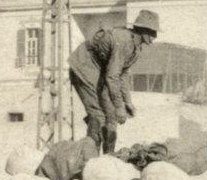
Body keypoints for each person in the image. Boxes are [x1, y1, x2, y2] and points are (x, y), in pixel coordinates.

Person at [68, 10, 160, 154]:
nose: (155, 37)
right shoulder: (123, 41)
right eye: (152, 32)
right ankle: (90, 157)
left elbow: (122, 75)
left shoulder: (135, 49)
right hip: (84, 67)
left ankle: (108, 158)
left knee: (111, 117)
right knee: (97, 115)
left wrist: (127, 102)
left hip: (100, 72)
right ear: (142, 30)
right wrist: (119, 106)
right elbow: (112, 77)